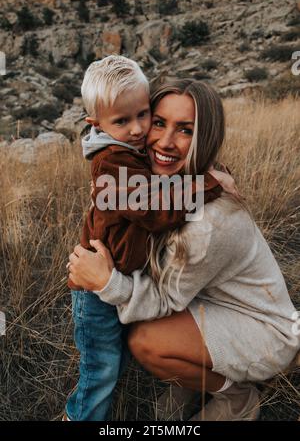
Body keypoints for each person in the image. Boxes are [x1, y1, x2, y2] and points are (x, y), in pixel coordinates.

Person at [68, 78, 300, 421]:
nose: (164, 141)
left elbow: (163, 301)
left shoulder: (210, 222)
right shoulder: (168, 185)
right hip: (212, 306)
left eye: (185, 130)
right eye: (158, 123)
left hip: (264, 330)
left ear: (203, 138)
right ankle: (194, 380)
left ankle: (237, 397)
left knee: (146, 340)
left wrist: (106, 283)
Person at [65, 57, 234, 421]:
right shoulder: (110, 162)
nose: (139, 129)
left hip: (117, 281)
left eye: (143, 114)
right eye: (122, 121)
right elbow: (157, 209)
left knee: (115, 359)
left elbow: (169, 178)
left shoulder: (130, 150)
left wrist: (209, 171)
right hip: (95, 292)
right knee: (100, 371)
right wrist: (209, 185)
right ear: (96, 124)